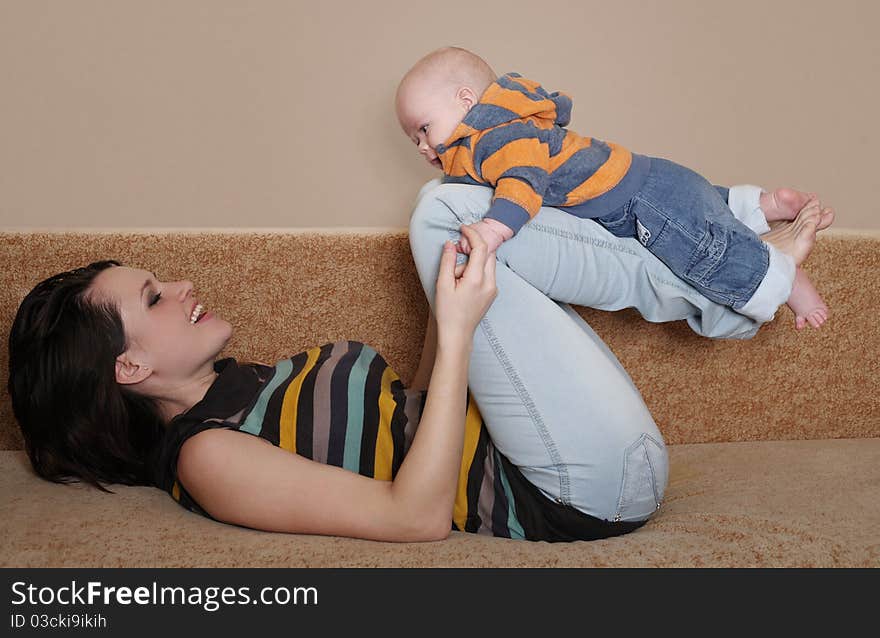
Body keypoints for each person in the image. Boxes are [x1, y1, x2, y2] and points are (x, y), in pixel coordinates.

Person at [7, 177, 790, 542]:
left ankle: (731, 290)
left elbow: (415, 418)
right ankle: (735, 286)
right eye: (151, 298)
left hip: (571, 453)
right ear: (128, 369)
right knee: (444, 209)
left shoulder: (251, 385)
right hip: (570, 493)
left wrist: (452, 316)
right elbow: (412, 517)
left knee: (454, 224)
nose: (179, 286)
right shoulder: (207, 455)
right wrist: (455, 331)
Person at [395, 46, 835, 331]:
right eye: (413, 138)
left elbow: (522, 183)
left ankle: (784, 275)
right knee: (705, 210)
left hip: (639, 203)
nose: (420, 145)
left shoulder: (501, 136)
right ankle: (762, 205)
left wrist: (494, 229)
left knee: (706, 254)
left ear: (467, 102)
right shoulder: (502, 128)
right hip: (651, 179)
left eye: (423, 129)